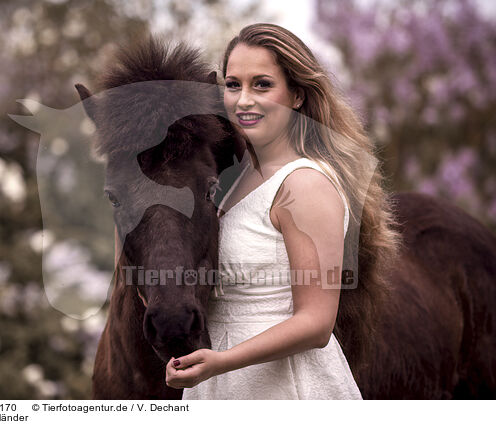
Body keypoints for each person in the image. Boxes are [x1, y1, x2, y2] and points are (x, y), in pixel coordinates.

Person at [165, 23, 401, 399]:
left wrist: (221, 361)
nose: (243, 100)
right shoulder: (234, 182)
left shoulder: (305, 183)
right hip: (219, 385)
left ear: (296, 96)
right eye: (232, 85)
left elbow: (316, 323)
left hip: (285, 391)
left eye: (262, 84)